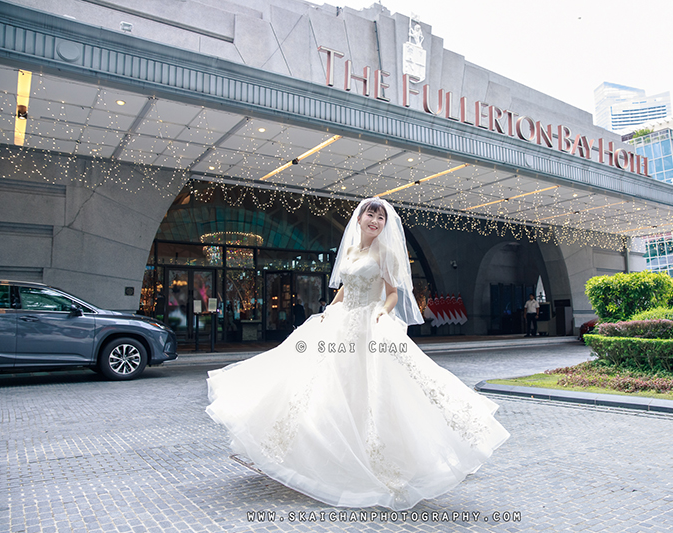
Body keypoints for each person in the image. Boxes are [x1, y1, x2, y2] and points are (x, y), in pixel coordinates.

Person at [205, 198, 509, 511]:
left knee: (374, 388)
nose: (375, 221)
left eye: (380, 217)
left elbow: (392, 294)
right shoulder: (350, 251)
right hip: (341, 322)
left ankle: (377, 457)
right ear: (360, 218)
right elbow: (345, 288)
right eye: (370, 214)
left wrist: (382, 312)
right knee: (317, 384)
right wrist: (330, 308)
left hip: (369, 325)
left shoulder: (386, 253)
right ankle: (307, 453)